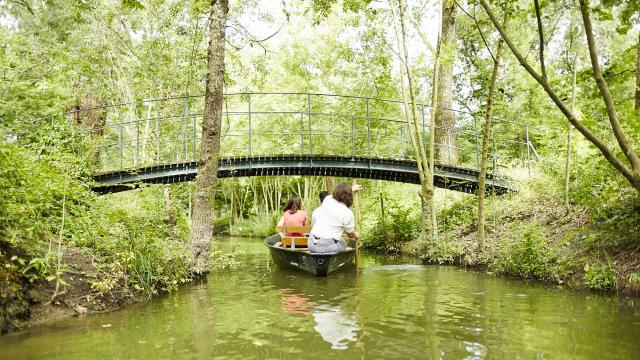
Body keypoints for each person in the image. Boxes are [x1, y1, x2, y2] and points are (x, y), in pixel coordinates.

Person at [308, 182, 361, 254]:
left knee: (340, 240)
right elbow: (350, 234)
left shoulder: (327, 199)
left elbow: (339, 193)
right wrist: (356, 234)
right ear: (350, 196)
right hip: (327, 248)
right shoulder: (348, 213)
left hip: (311, 244)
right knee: (344, 242)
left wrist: (352, 189)